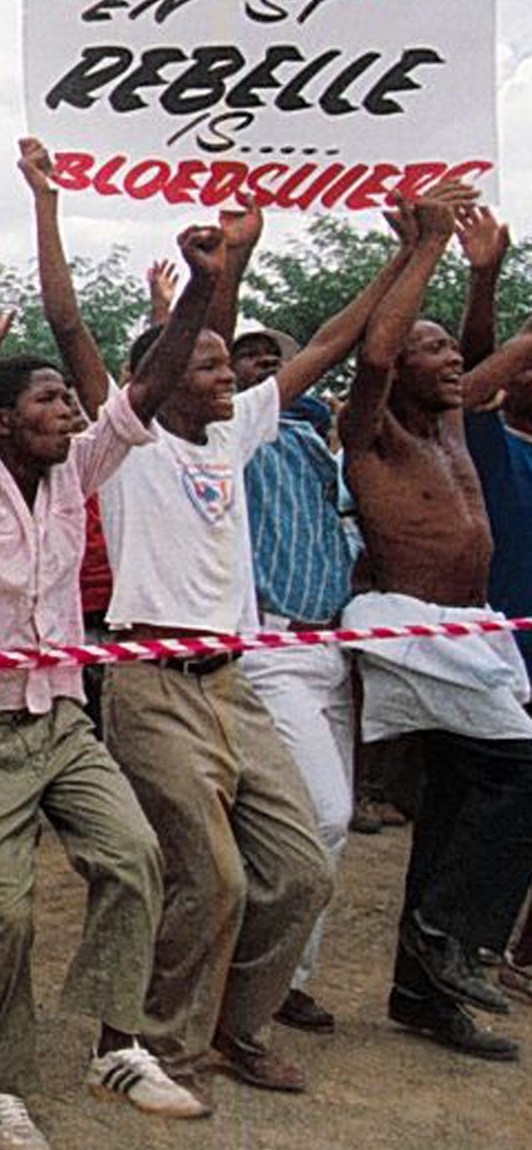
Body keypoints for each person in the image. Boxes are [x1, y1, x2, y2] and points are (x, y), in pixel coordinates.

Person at [100, 179, 435, 1097]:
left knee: (296, 868)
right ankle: (158, 1047)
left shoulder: (232, 436)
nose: (231, 379)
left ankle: (237, 1027)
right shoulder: (128, 446)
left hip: (233, 684)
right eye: (207, 368)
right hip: (151, 681)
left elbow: (328, 344)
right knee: (210, 877)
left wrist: (404, 256)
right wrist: (210, 284)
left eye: (229, 368)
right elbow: (91, 328)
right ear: (165, 379)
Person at [0, 197, 216, 1150]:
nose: (70, 409)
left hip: (59, 722)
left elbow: (148, 387)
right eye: (48, 399)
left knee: (132, 859)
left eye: (66, 399)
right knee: (3, 913)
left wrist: (203, 285)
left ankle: (112, 1046)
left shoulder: (73, 473)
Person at [340, 186, 532, 1060]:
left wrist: (481, 274)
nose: (451, 357)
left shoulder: (454, 416)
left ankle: (422, 988)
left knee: (460, 794)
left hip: (471, 631)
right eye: (433, 347)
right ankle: (448, 936)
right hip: (410, 627)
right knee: (514, 764)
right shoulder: (372, 430)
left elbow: (505, 348)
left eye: (452, 347)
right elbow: (377, 351)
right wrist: (421, 250)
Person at [232, 320, 356, 1036]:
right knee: (322, 816)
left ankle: (287, 982)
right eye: (239, 360)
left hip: (331, 649)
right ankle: (253, 979)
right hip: (270, 647)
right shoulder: (230, 443)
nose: (251, 368)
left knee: (324, 829)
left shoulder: (316, 448)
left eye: (267, 358)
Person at [456, 209, 532, 1000]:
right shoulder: (483, 447)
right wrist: (485, 278)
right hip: (501, 660)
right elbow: (471, 374)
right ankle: (474, 947)